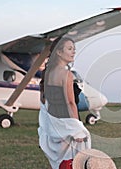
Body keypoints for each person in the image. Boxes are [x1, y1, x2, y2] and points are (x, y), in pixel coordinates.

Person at [38, 36, 91, 169]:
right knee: (73, 162)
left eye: (74, 49)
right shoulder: (66, 74)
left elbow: (44, 101)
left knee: (58, 163)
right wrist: (77, 129)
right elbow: (70, 103)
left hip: (53, 124)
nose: (73, 52)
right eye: (69, 48)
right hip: (66, 123)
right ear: (59, 52)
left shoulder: (47, 73)